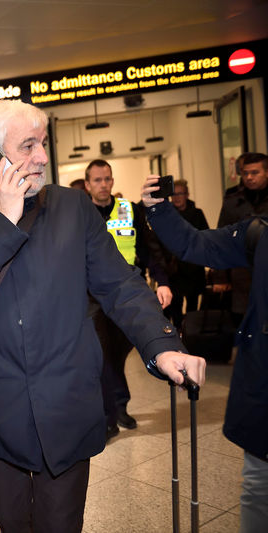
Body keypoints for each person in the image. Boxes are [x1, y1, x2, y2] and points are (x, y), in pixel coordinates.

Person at [0, 100, 206, 533]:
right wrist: (4, 220)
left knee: (62, 524)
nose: (42, 156)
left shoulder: (73, 209)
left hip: (67, 403)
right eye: (28, 146)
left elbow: (121, 284)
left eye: (43, 143)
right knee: (14, 522)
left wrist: (162, 344)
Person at [142, 174, 266, 533]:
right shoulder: (259, 233)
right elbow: (195, 244)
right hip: (263, 388)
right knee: (259, 487)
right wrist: (158, 209)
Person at [84, 159, 173, 437]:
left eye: (107, 179)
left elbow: (149, 250)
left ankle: (118, 406)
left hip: (125, 294)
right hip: (91, 298)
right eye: (97, 180)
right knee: (101, 356)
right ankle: (109, 415)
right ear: (87, 185)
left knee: (119, 354)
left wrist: (162, 281)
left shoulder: (129, 210)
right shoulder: (80, 216)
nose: (103, 184)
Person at [213, 152, 268, 324]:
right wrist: (221, 277)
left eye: (255, 173)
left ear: (266, 172)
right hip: (243, 275)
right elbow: (222, 239)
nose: (249, 177)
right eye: (245, 173)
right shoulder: (233, 202)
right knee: (246, 325)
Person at [162, 179, 209, 328]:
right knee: (175, 304)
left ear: (187, 195)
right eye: (173, 194)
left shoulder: (197, 213)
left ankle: (191, 331)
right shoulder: (167, 215)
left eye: (180, 194)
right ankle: (178, 331)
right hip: (174, 267)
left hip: (193, 265)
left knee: (192, 303)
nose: (176, 197)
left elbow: (205, 236)